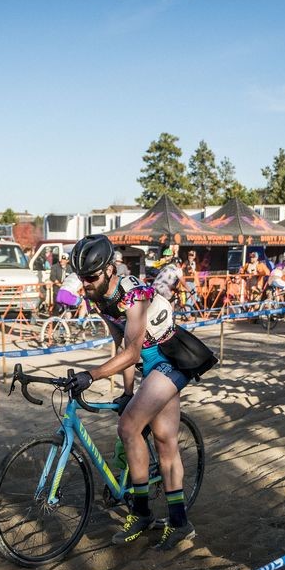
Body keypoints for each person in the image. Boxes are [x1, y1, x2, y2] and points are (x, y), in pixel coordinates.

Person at [64, 235, 194, 551]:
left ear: (110, 270)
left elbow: (133, 352)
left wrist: (91, 375)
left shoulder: (132, 295)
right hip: (149, 366)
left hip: (169, 360)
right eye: (82, 278)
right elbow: (120, 342)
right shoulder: (98, 297)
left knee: (129, 427)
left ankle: (141, 512)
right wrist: (126, 391)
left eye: (91, 277)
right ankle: (179, 523)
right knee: (164, 441)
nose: (86, 283)